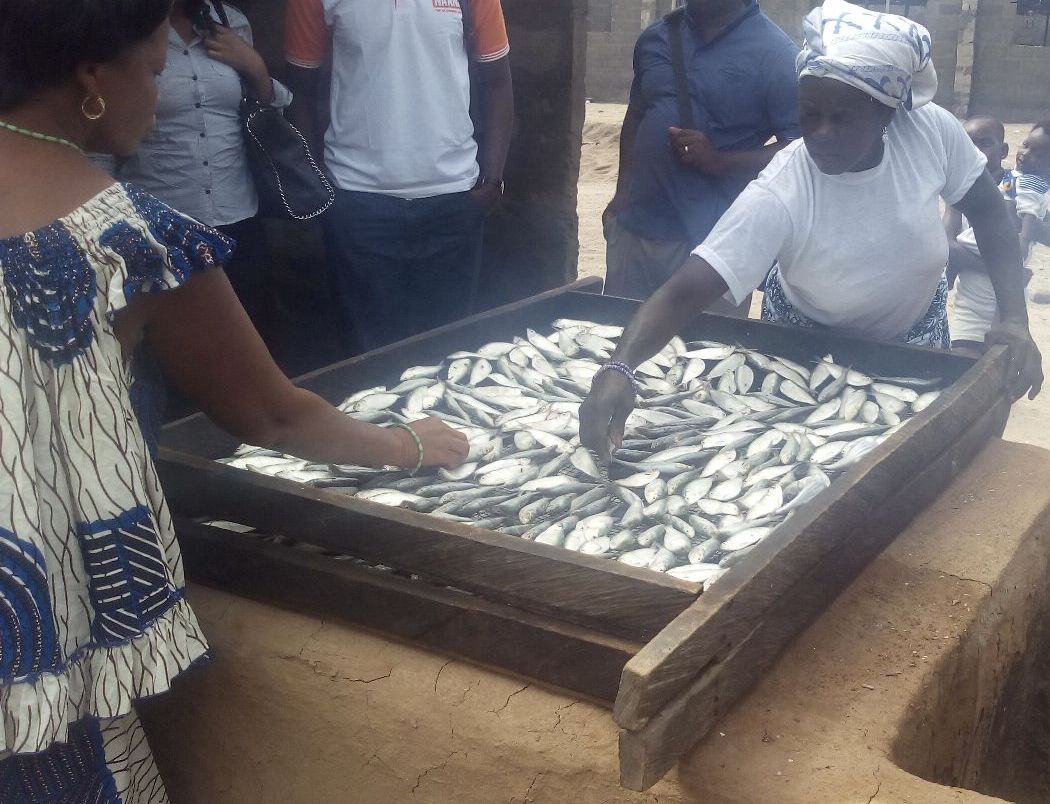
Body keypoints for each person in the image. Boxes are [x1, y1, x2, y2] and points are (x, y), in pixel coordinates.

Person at [0, 1, 468, 799]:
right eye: (152, 72)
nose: (157, 93)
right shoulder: (130, 237)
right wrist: (411, 445)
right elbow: (270, 413)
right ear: (91, 79)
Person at [581, 0, 1042, 461]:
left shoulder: (930, 132)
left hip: (916, 343)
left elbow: (988, 213)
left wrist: (1014, 319)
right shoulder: (785, 185)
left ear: (887, 115)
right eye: (809, 115)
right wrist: (620, 365)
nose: (820, 133)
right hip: (801, 354)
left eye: (841, 118)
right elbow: (688, 288)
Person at [284, 0, 515, 353]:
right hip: (358, 204)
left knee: (448, 353)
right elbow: (299, 89)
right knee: (368, 357)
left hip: (453, 201)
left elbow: (498, 82)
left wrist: (493, 181)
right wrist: (321, 185)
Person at [602, 0, 802, 310]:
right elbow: (638, 113)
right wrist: (622, 193)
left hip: (716, 242)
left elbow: (799, 148)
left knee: (707, 352)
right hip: (637, 229)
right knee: (617, 341)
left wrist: (721, 162)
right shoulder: (656, 38)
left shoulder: (776, 53)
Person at [115, 0, 289, 353]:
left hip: (238, 216)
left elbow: (270, 112)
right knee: (181, 351)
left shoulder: (229, 22)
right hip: (161, 226)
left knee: (255, 343)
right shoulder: (125, 28)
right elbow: (103, 135)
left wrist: (255, 67)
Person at [946, 117, 1050, 348]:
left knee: (1003, 370)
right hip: (971, 307)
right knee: (963, 363)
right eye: (967, 144)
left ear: (1003, 150)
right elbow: (948, 249)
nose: (975, 152)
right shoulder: (958, 193)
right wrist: (1010, 267)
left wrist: (1028, 226)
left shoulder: (1020, 187)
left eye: (985, 144)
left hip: (1010, 307)